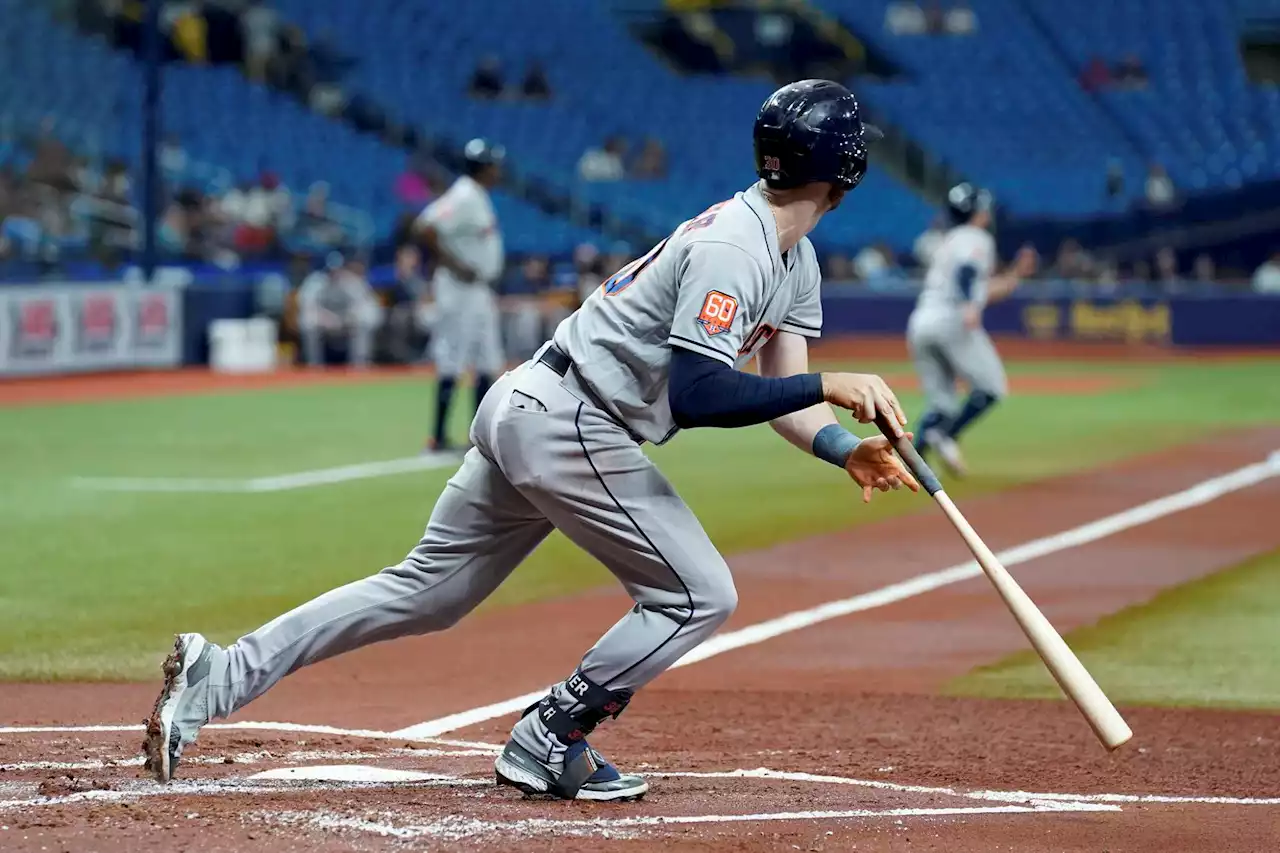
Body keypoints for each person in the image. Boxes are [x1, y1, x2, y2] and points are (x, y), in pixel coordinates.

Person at [141, 80, 916, 801]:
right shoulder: (735, 247)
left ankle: (218, 676)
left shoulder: (791, 257)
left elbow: (782, 393)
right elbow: (701, 392)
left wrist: (840, 447)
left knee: (428, 591)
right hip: (572, 419)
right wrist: (828, 386)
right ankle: (551, 733)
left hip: (538, 404)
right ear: (846, 168)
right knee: (698, 594)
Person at [907, 183, 1037, 477]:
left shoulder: (948, 239)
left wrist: (1015, 274)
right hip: (951, 320)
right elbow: (966, 273)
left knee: (941, 403)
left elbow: (983, 289)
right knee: (991, 387)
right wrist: (968, 306)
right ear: (977, 212)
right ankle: (947, 435)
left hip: (922, 321)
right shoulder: (975, 237)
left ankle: (916, 461)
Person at [415, 139, 507, 451]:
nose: (499, 170)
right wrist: (454, 265)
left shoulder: (477, 195)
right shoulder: (465, 194)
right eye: (494, 164)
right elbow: (424, 226)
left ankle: (479, 438)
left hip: (478, 290)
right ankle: (437, 437)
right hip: (458, 290)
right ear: (484, 167)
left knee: (486, 360)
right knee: (452, 358)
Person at [295, 252, 382, 367]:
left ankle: (359, 364)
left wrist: (348, 316)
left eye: (337, 269)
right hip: (323, 320)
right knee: (307, 321)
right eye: (331, 269)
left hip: (346, 320)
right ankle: (314, 364)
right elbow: (307, 305)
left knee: (365, 319)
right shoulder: (315, 282)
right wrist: (326, 318)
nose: (334, 272)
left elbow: (365, 304)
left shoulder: (351, 281)